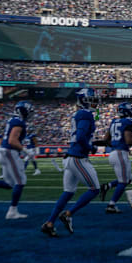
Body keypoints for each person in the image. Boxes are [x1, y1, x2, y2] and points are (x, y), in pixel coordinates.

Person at [41, 88, 101, 237]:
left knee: (68, 192)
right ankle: (68, 213)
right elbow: (81, 137)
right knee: (95, 189)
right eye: (91, 99)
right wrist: (91, 147)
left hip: (70, 157)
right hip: (78, 157)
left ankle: (49, 223)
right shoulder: (86, 114)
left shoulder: (78, 114)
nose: (94, 102)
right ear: (83, 99)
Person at [0, 101, 33, 219]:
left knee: (9, 183)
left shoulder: (13, 120)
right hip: (10, 151)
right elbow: (12, 140)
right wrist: (25, 150)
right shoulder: (18, 122)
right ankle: (12, 211)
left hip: (4, 151)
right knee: (21, 181)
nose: (30, 114)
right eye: (29, 112)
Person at [97, 102, 132, 214]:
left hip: (114, 152)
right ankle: (111, 205)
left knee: (129, 179)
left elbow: (106, 139)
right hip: (120, 153)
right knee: (123, 182)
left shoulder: (114, 121)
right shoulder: (129, 121)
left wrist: (115, 143)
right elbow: (128, 140)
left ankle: (108, 186)